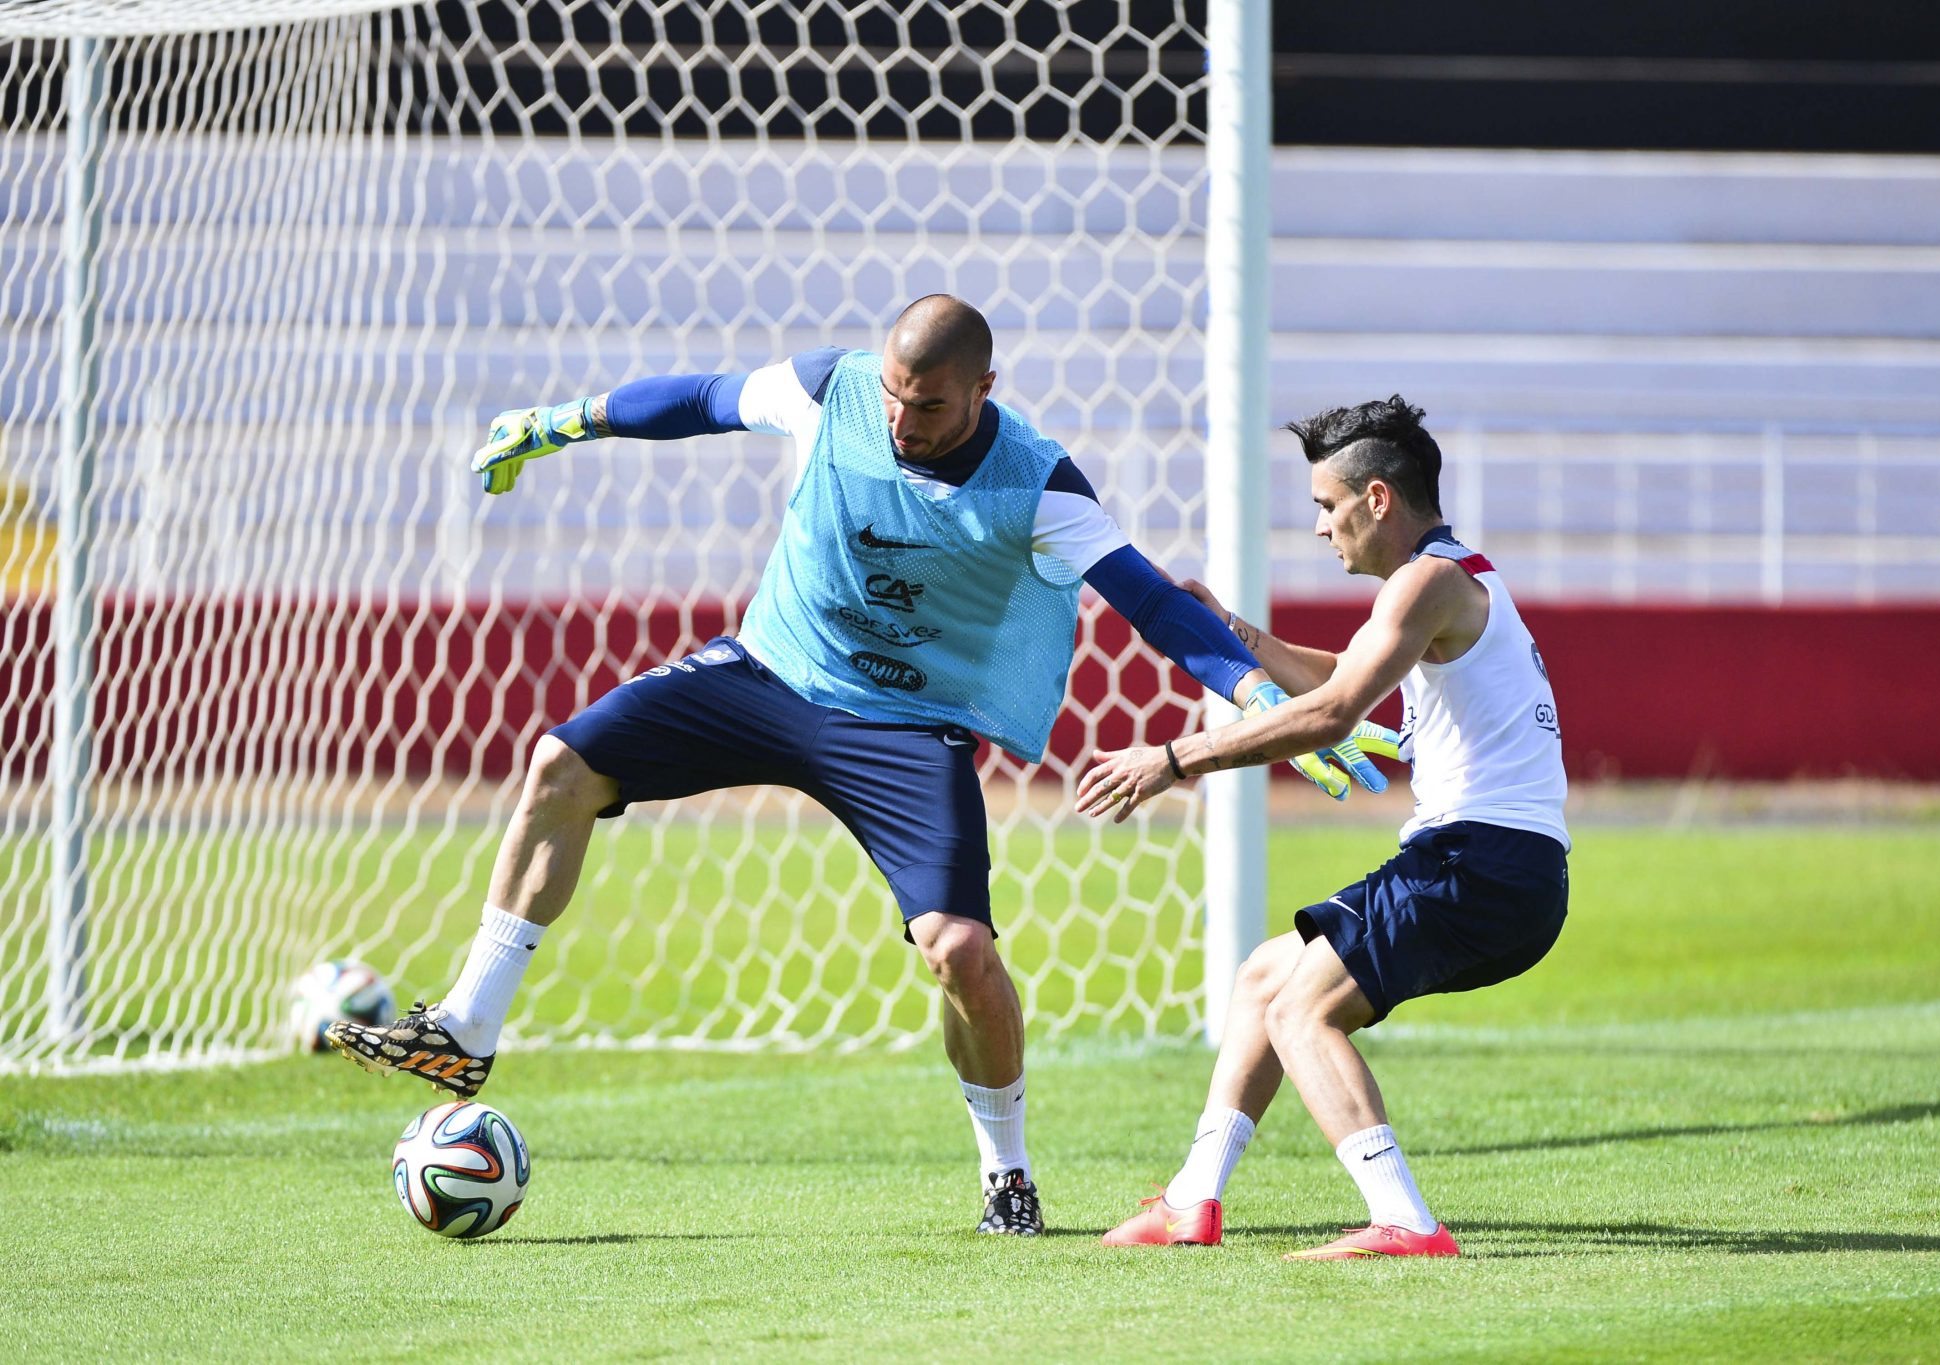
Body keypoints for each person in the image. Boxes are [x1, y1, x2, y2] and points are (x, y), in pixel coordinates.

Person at [326, 295, 1385, 1236]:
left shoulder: (1040, 484)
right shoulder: (833, 389)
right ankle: (467, 1022)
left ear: (983, 390)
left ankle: (1005, 1175)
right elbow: (701, 399)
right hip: (768, 670)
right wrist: (567, 421)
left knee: (961, 951)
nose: (898, 422)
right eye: (891, 397)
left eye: (926, 407)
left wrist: (1259, 698)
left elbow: (1153, 603)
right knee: (561, 762)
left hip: (905, 728)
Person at [1077, 395, 1569, 1259]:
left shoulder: (1428, 582)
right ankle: (1194, 1199)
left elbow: (1336, 712)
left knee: (1304, 1011)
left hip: (1478, 862)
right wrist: (1240, 633)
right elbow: (1347, 672)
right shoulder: (1448, 579)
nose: (1318, 527)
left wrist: (1173, 759)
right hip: (1499, 867)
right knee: (1268, 977)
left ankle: (1405, 1221)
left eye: (1325, 505)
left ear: (1376, 499)